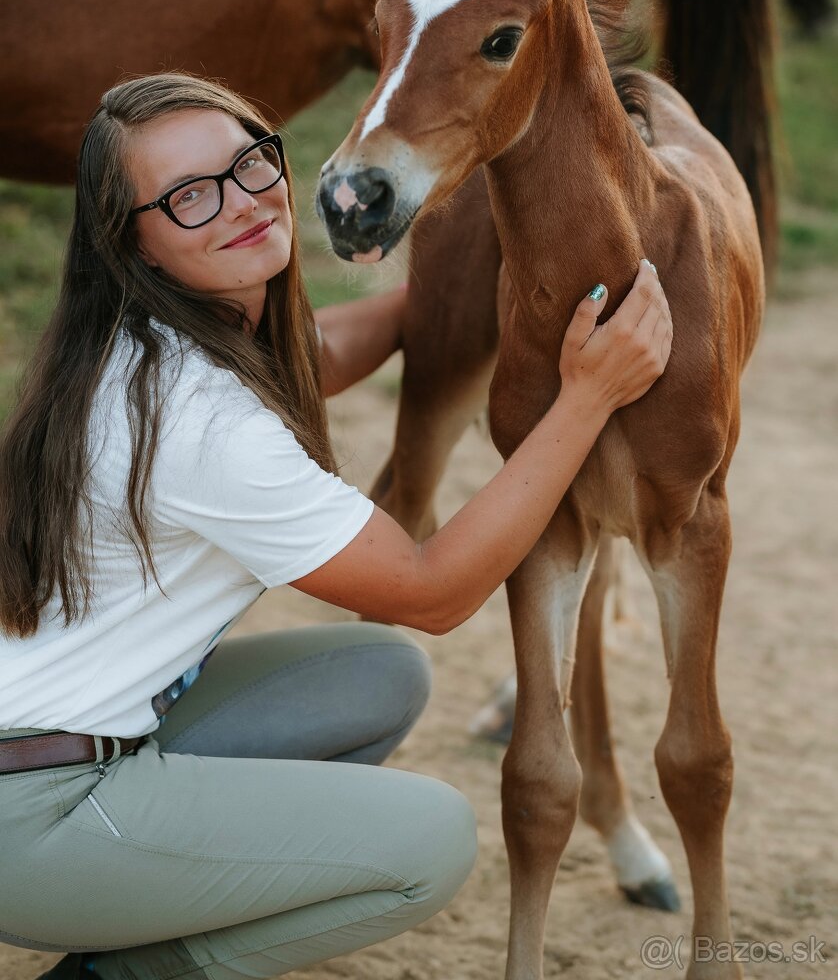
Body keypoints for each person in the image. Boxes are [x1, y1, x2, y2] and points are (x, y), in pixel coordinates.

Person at [0, 73, 672, 980]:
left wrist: (473, 291)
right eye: (190, 197)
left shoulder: (142, 340)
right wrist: (588, 399)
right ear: (138, 245)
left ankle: (145, 893)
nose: (241, 204)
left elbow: (322, 358)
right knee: (429, 844)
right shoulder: (202, 423)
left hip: (58, 755)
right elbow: (431, 591)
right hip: (39, 820)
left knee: (372, 676)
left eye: (247, 164)